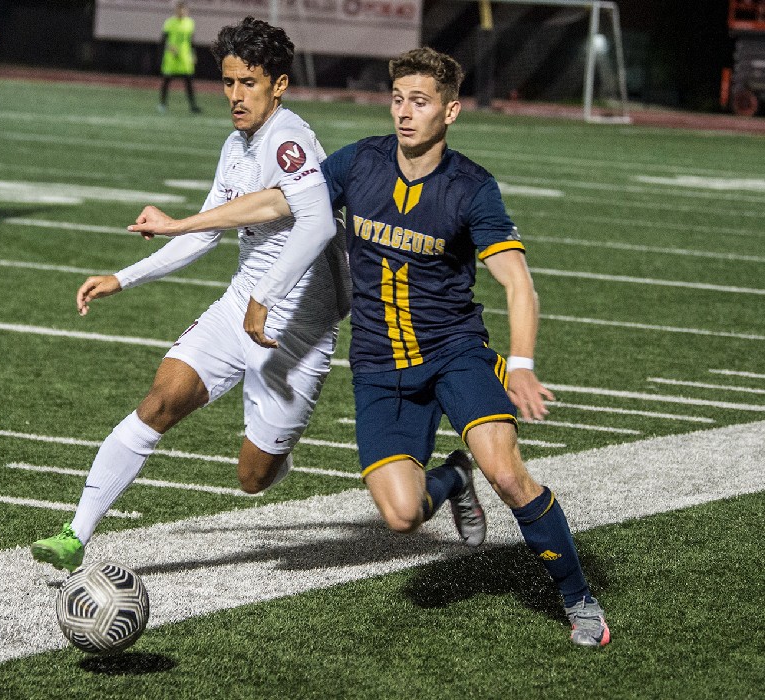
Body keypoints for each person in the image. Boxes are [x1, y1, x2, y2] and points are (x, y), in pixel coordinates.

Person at [128, 47, 611, 648]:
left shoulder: (471, 188)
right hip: (380, 367)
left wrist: (522, 365)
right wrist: (181, 224)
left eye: (421, 101)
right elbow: (281, 201)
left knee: (510, 476)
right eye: (398, 99)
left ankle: (578, 597)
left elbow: (518, 283)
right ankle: (454, 480)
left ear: (450, 111)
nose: (405, 113)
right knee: (403, 516)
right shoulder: (361, 162)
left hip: (454, 352)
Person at [32, 18, 480, 578]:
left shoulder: (289, 140)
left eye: (248, 83)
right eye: (227, 83)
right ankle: (76, 533)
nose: (235, 96)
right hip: (240, 305)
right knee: (161, 398)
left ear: (279, 85)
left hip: (295, 331)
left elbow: (317, 225)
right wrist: (124, 277)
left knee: (253, 479)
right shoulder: (236, 144)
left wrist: (266, 298)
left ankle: (452, 475)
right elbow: (205, 231)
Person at [158, 1, 201, 114]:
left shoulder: (190, 23)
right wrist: (170, 47)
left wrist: (193, 53)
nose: (182, 12)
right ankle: (162, 104)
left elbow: (191, 41)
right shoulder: (170, 22)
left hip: (185, 57)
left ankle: (193, 106)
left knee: (189, 82)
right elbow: (163, 40)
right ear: (176, 10)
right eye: (180, 9)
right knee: (167, 81)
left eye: (184, 10)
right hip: (171, 57)